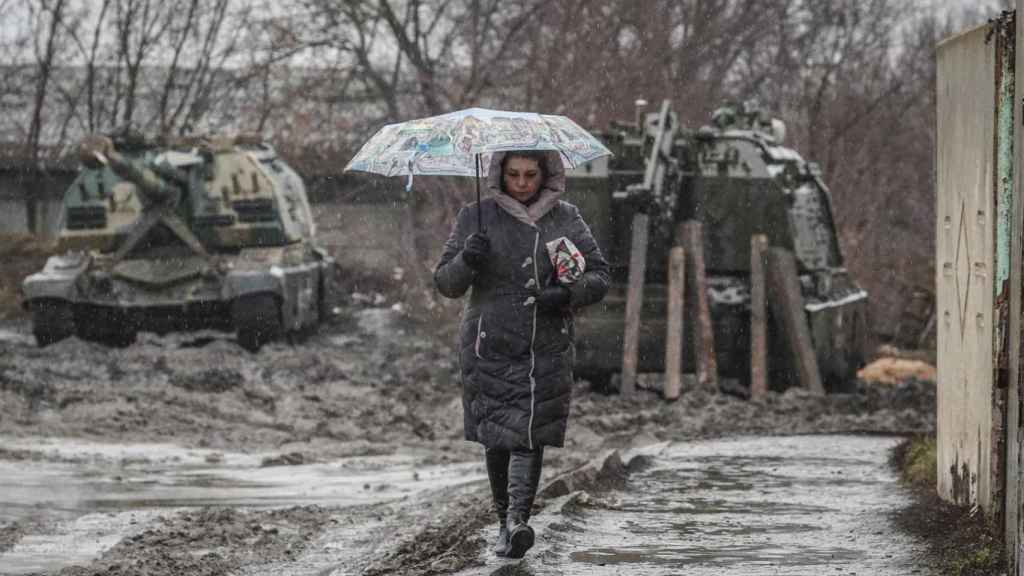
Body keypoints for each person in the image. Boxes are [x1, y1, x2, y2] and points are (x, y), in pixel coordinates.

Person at [434, 150, 610, 559]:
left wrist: (564, 293)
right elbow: (445, 283)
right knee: (497, 436)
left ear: (546, 174)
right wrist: (467, 259)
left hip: (544, 342)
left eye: (531, 174)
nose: (523, 182)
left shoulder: (565, 216)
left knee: (531, 431)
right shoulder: (475, 216)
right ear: (500, 174)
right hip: (489, 342)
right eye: (514, 174)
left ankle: (518, 521)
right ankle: (504, 523)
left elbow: (599, 275)